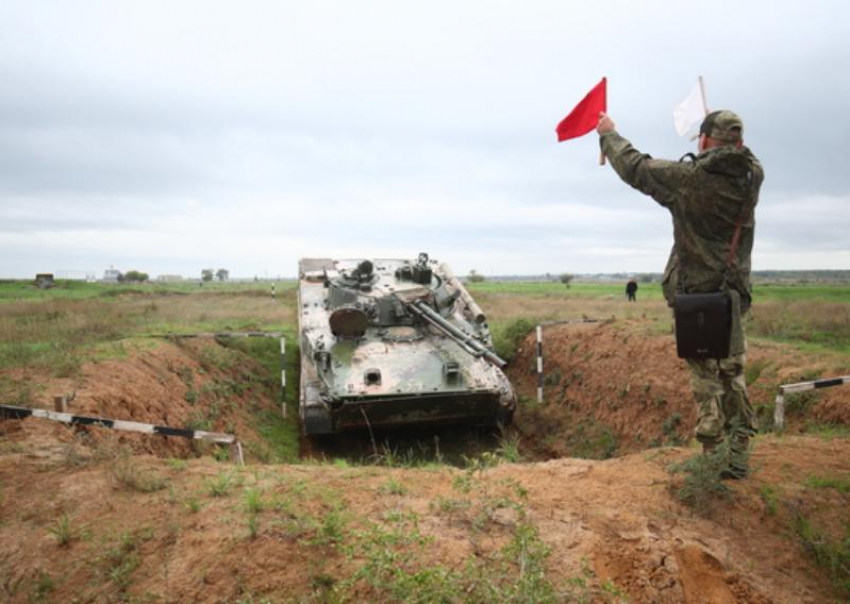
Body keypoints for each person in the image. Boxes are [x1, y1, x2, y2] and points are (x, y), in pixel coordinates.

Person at [597, 109, 764, 479]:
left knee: (707, 381)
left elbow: (637, 168)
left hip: (699, 301)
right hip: (734, 297)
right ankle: (739, 455)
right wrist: (716, 145)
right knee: (733, 373)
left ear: (704, 141)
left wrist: (609, 134)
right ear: (738, 142)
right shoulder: (753, 175)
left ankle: (712, 460)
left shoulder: (690, 181)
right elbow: (736, 156)